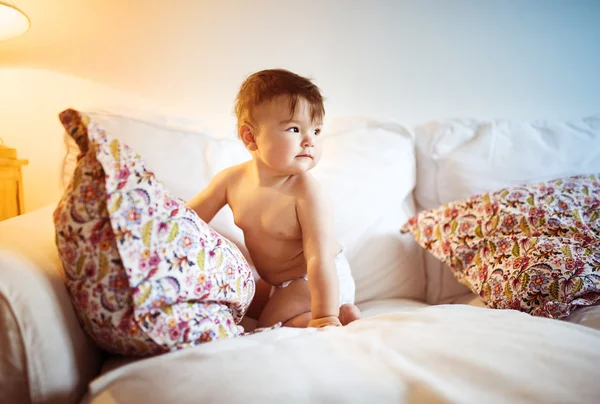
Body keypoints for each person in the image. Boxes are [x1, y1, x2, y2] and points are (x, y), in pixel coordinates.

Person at [187, 69, 361, 328]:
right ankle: (310, 317)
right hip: (277, 284)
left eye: (316, 131)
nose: (309, 141)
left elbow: (319, 258)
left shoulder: (307, 193)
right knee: (237, 305)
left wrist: (326, 316)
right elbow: (189, 219)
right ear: (250, 137)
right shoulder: (230, 181)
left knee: (262, 328)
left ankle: (338, 314)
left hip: (319, 280)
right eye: (294, 129)